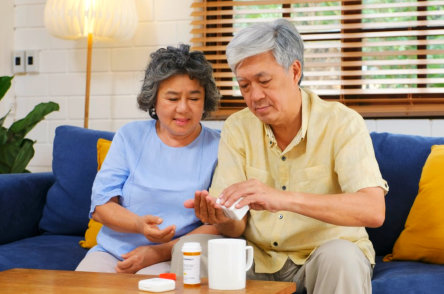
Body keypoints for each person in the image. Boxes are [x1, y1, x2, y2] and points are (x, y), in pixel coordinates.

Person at [175, 19, 388, 294]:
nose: (255, 96)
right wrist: (220, 216)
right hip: (257, 256)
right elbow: (234, 227)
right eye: (245, 85)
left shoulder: (342, 123)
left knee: (342, 257)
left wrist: (283, 199)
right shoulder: (238, 127)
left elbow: (372, 210)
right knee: (190, 249)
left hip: (322, 255)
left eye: (264, 81)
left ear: (294, 71)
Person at [76, 44, 221, 274]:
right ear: (154, 99)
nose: (183, 109)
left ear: (205, 100)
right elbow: (102, 206)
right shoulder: (130, 136)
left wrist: (158, 251)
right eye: (172, 98)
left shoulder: (219, 146)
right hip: (112, 252)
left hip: (175, 255)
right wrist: (139, 225)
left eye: (194, 98)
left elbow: (219, 224)